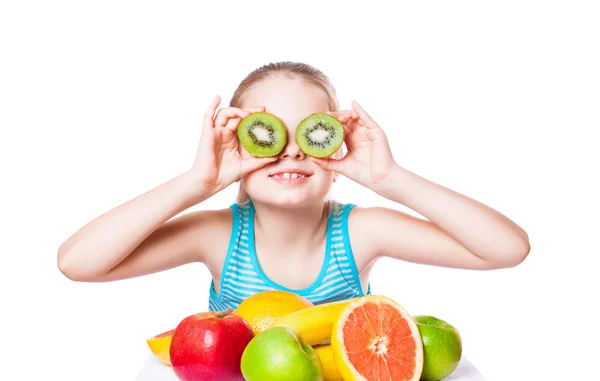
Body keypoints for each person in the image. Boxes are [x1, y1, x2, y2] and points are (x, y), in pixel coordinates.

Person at [57, 61, 530, 312]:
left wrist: (392, 180)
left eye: (311, 132)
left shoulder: (362, 233)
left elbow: (506, 250)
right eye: (267, 134)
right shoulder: (217, 237)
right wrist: (193, 183)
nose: (291, 151)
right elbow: (77, 264)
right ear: (235, 144)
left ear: (336, 141)